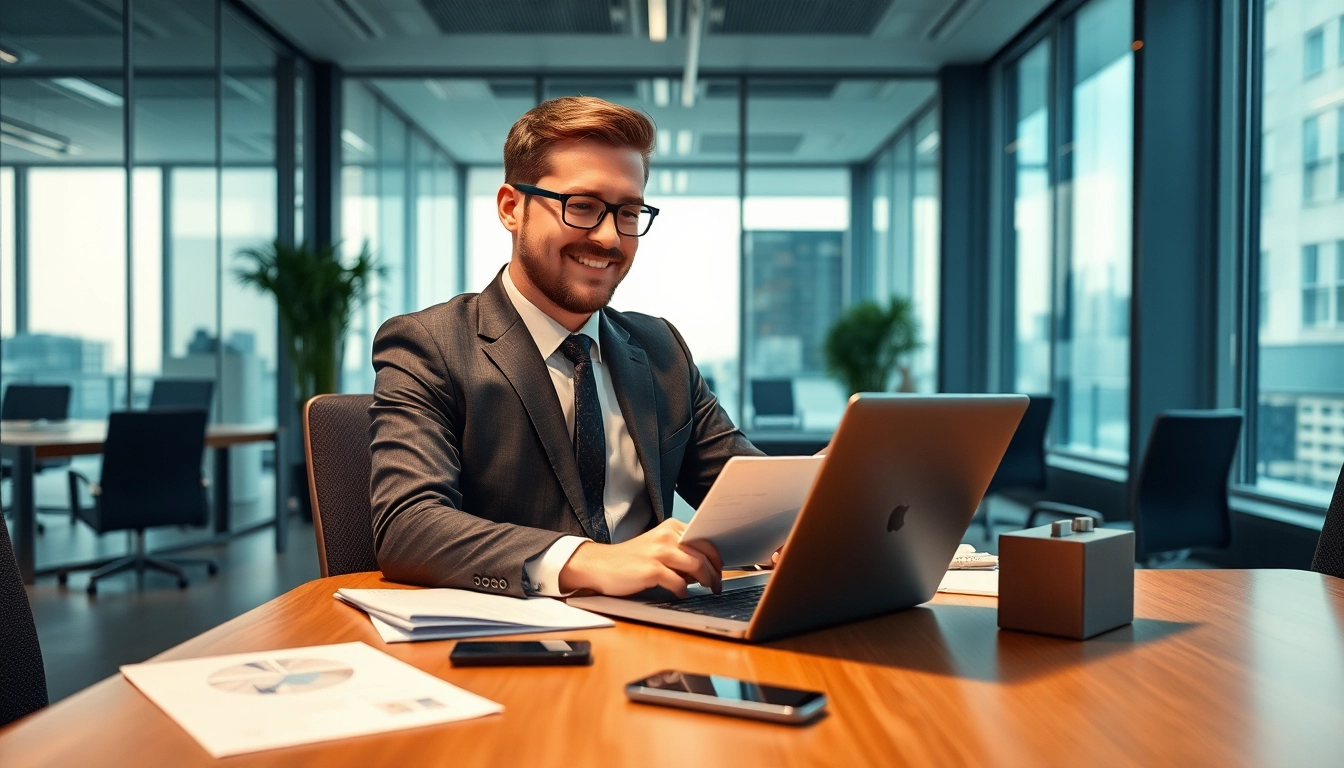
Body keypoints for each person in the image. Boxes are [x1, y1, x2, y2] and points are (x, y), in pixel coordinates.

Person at [369, 96, 763, 600]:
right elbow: (408, 525)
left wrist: (800, 519)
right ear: (512, 208)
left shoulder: (661, 348)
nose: (609, 238)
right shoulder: (430, 345)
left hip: (666, 631)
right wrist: (590, 561)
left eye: (628, 212)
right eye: (581, 207)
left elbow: (747, 495)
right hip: (516, 644)